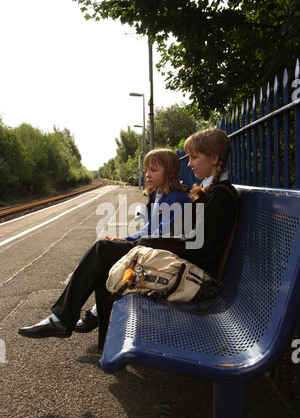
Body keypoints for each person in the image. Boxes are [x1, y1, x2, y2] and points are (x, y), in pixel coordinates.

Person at [18, 128, 238, 349]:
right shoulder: (211, 192)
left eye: (194, 157)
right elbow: (189, 238)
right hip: (182, 263)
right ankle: (100, 339)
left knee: (102, 250)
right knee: (106, 258)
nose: (189, 164)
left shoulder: (219, 195)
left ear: (214, 158)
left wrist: (142, 244)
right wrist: (138, 242)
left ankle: (63, 320)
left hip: (196, 278)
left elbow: (200, 248)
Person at [74, 148, 191, 334]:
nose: (147, 175)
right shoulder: (157, 195)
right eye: (146, 170)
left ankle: (76, 315)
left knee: (102, 250)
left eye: (153, 170)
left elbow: (162, 235)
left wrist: (130, 245)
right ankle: (97, 326)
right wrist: (126, 239)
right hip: (150, 247)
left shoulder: (177, 198)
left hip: (161, 257)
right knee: (104, 257)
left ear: (170, 172)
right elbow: (148, 229)